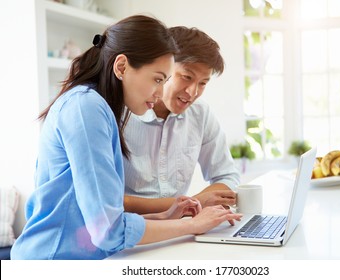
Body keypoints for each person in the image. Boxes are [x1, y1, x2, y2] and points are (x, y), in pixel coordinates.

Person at [11, 15, 241, 260]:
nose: (161, 92)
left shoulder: (98, 107)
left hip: (91, 255)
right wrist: (192, 225)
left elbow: (106, 219)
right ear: (121, 67)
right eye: (158, 79)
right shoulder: (86, 108)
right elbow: (108, 230)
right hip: (54, 261)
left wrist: (166, 216)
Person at [123, 26, 240, 214]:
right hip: (132, 231)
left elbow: (226, 176)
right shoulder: (120, 113)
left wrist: (192, 204)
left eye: (203, 83)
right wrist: (193, 202)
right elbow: (110, 201)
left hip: (180, 228)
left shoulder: (200, 114)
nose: (193, 92)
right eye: (186, 77)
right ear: (164, 67)